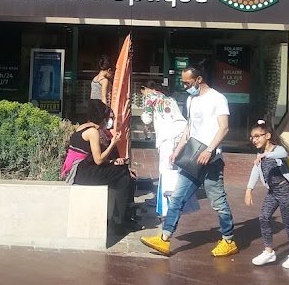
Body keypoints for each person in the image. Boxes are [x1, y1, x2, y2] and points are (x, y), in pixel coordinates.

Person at [141, 66, 236, 257]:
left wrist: (209, 150)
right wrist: (177, 150)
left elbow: (224, 128)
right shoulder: (191, 99)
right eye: (183, 83)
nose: (185, 86)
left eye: (187, 83)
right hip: (193, 157)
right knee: (177, 197)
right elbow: (189, 128)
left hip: (211, 159)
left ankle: (228, 240)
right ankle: (164, 239)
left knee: (218, 202)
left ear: (199, 79)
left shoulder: (218, 98)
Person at [68, 99, 138, 230]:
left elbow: (92, 157)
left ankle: (120, 219)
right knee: (124, 173)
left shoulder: (82, 127)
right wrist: (113, 143)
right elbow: (98, 160)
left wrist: (112, 162)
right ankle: (120, 220)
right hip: (82, 173)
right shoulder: (93, 132)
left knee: (123, 177)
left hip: (82, 169)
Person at [245, 119, 289, 269]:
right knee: (263, 218)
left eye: (257, 136)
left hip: (285, 191)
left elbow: (283, 153)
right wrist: (249, 189)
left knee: (287, 222)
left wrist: (265, 155)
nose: (254, 140)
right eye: (252, 137)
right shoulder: (260, 154)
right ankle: (269, 252)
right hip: (273, 192)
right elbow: (255, 170)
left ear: (268, 136)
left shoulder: (277, 150)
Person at [140, 83, 187, 219]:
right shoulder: (169, 98)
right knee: (175, 167)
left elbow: (147, 118)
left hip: (168, 136)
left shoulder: (151, 98)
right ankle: (177, 196)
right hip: (181, 133)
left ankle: (164, 201)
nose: (143, 95)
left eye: (142, 92)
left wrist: (145, 121)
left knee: (165, 168)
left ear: (145, 89)